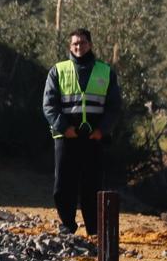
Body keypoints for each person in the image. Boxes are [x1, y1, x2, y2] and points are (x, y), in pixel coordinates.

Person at [42, 27, 122, 235]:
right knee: (63, 184)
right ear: (70, 46)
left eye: (83, 43)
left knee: (92, 184)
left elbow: (114, 106)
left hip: (94, 138)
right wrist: (64, 127)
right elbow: (49, 105)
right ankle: (67, 225)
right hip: (66, 137)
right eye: (75, 44)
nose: (79, 47)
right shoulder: (58, 71)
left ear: (90, 45)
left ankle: (94, 229)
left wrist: (102, 130)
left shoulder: (105, 72)